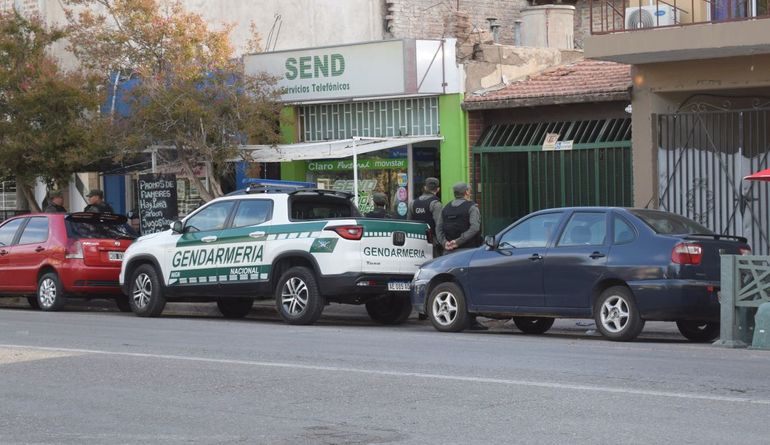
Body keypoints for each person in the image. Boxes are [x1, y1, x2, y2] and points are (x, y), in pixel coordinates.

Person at [436, 182, 486, 330]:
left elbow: (438, 228)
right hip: (468, 252)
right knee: (469, 285)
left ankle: (463, 318)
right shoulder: (472, 207)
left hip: (448, 252)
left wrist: (445, 243)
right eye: (469, 190)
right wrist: (458, 242)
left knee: (453, 285)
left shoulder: (445, 208)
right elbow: (475, 228)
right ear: (466, 193)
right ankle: (472, 321)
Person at [408, 177, 442, 257]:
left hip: (416, 241)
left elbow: (409, 223)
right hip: (432, 243)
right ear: (438, 189)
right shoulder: (436, 204)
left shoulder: (413, 203)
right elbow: (439, 225)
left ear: (425, 188)